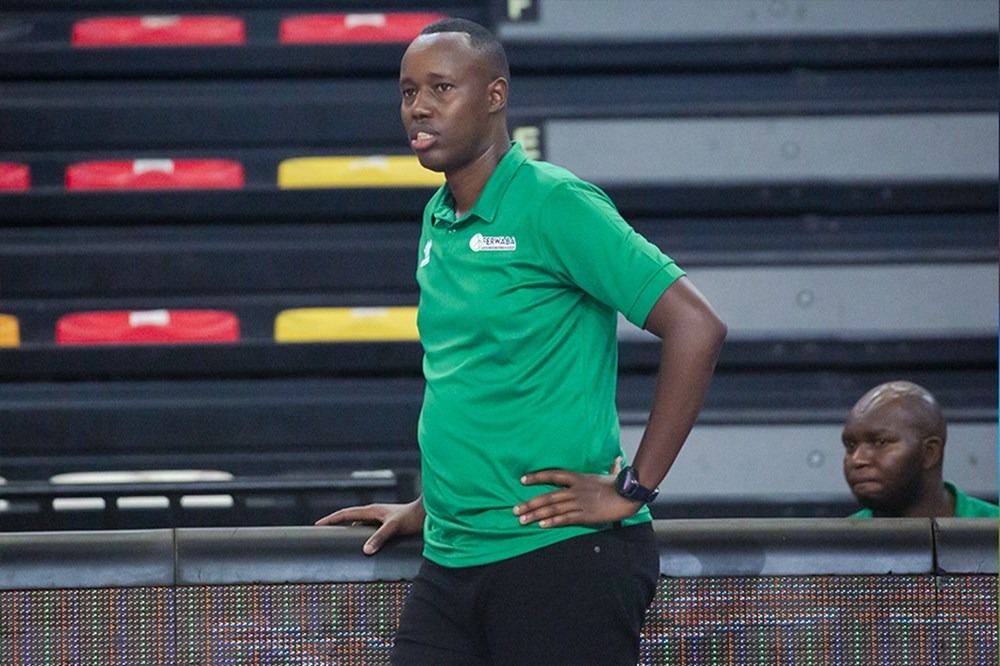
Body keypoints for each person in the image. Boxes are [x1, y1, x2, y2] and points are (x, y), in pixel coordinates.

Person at [316, 17, 727, 665]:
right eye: (407, 91)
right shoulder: (438, 213)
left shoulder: (554, 203)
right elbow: (476, 378)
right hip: (452, 558)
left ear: (494, 96)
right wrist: (436, 501)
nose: (419, 106)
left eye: (442, 88)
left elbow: (697, 327)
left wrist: (632, 491)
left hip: (560, 560)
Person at [842, 380, 999, 518]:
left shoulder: (994, 527)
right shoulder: (838, 544)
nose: (857, 459)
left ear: (930, 453)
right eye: (850, 446)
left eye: (881, 442)